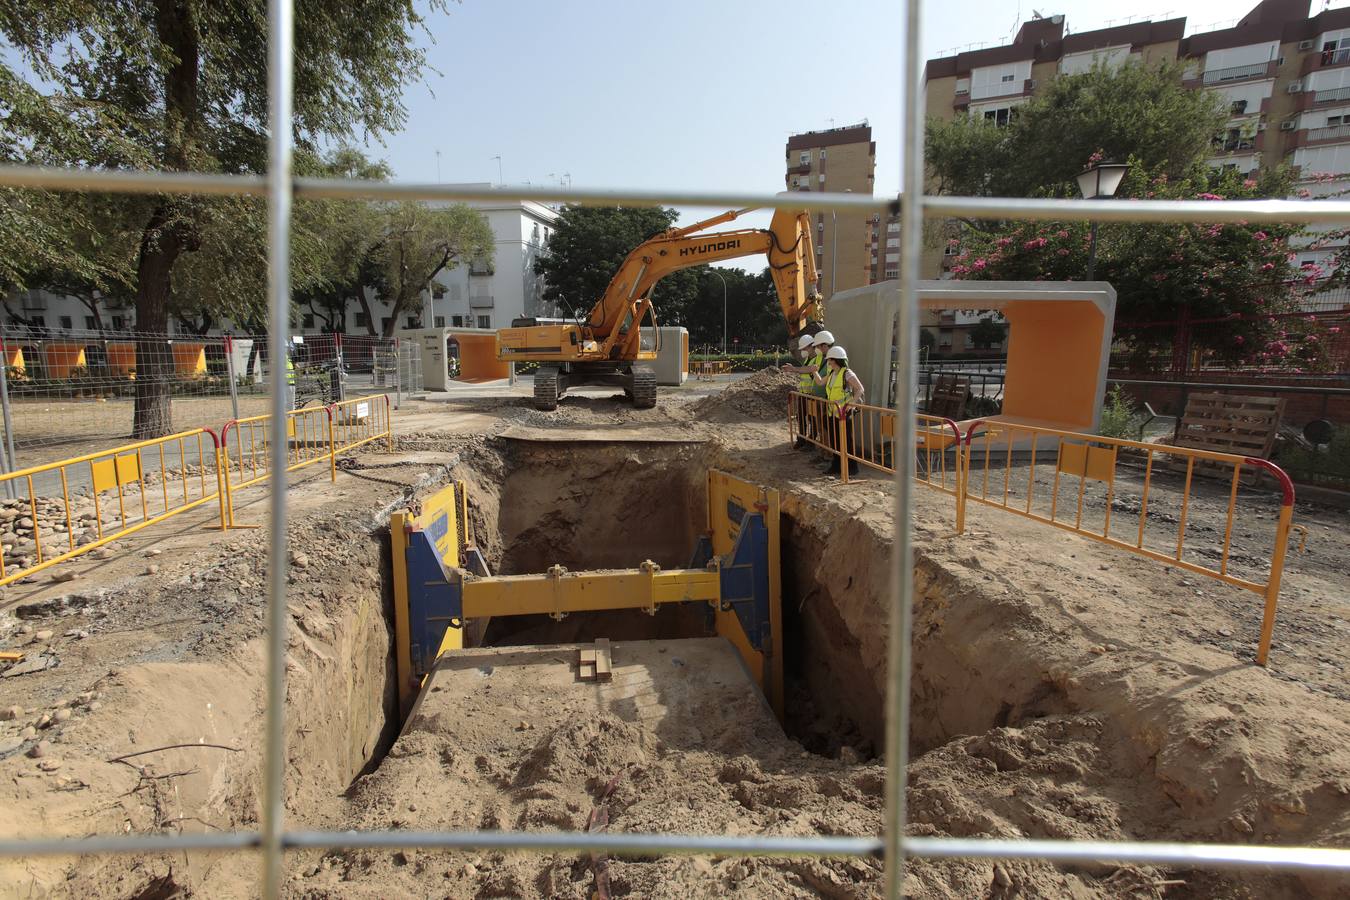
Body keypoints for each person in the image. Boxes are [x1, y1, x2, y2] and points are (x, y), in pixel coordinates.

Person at [811, 345, 865, 478]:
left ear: (835, 360)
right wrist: (814, 371)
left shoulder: (847, 373)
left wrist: (850, 405)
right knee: (835, 440)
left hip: (844, 414)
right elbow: (819, 382)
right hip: (833, 413)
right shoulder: (831, 374)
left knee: (846, 441)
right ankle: (836, 464)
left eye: (830, 359)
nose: (828, 361)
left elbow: (860, 389)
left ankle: (852, 467)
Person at [780, 333, 822, 449]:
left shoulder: (819, 358)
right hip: (804, 393)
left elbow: (809, 370)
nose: (803, 350)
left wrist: (794, 369)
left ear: (811, 346)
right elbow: (804, 370)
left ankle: (811, 441)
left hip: (813, 394)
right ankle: (802, 438)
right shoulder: (808, 358)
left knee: (812, 417)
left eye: (804, 348)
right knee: (801, 416)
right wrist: (794, 369)